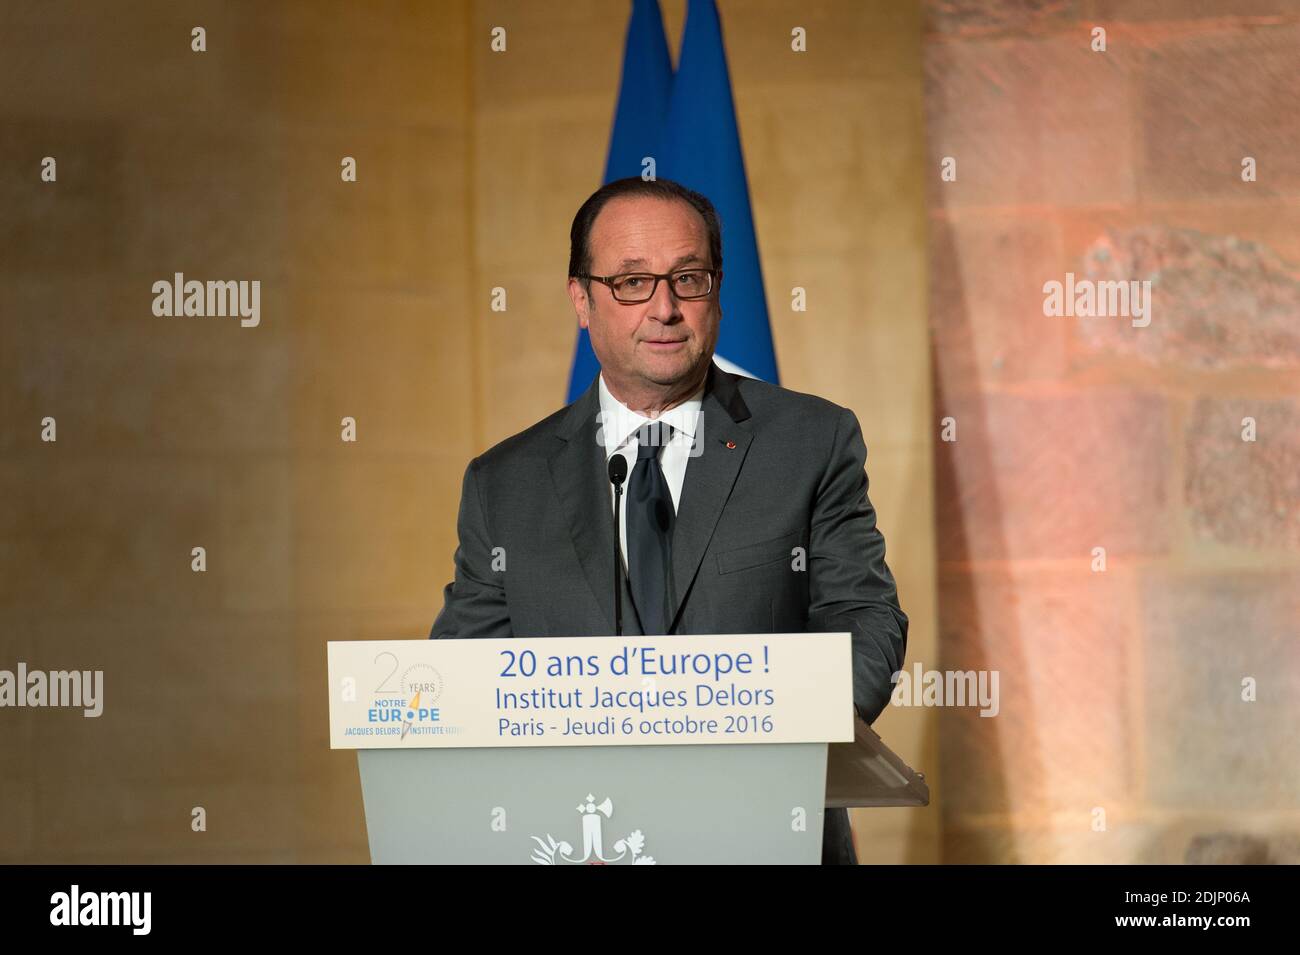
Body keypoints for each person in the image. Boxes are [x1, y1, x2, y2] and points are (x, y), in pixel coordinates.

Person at [431, 176, 908, 864]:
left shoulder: (811, 441)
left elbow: (866, 621)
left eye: (688, 278)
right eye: (631, 282)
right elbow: (465, 676)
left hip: (769, 832)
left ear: (715, 292)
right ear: (581, 300)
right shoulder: (502, 483)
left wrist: (783, 747)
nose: (664, 307)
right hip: (579, 842)